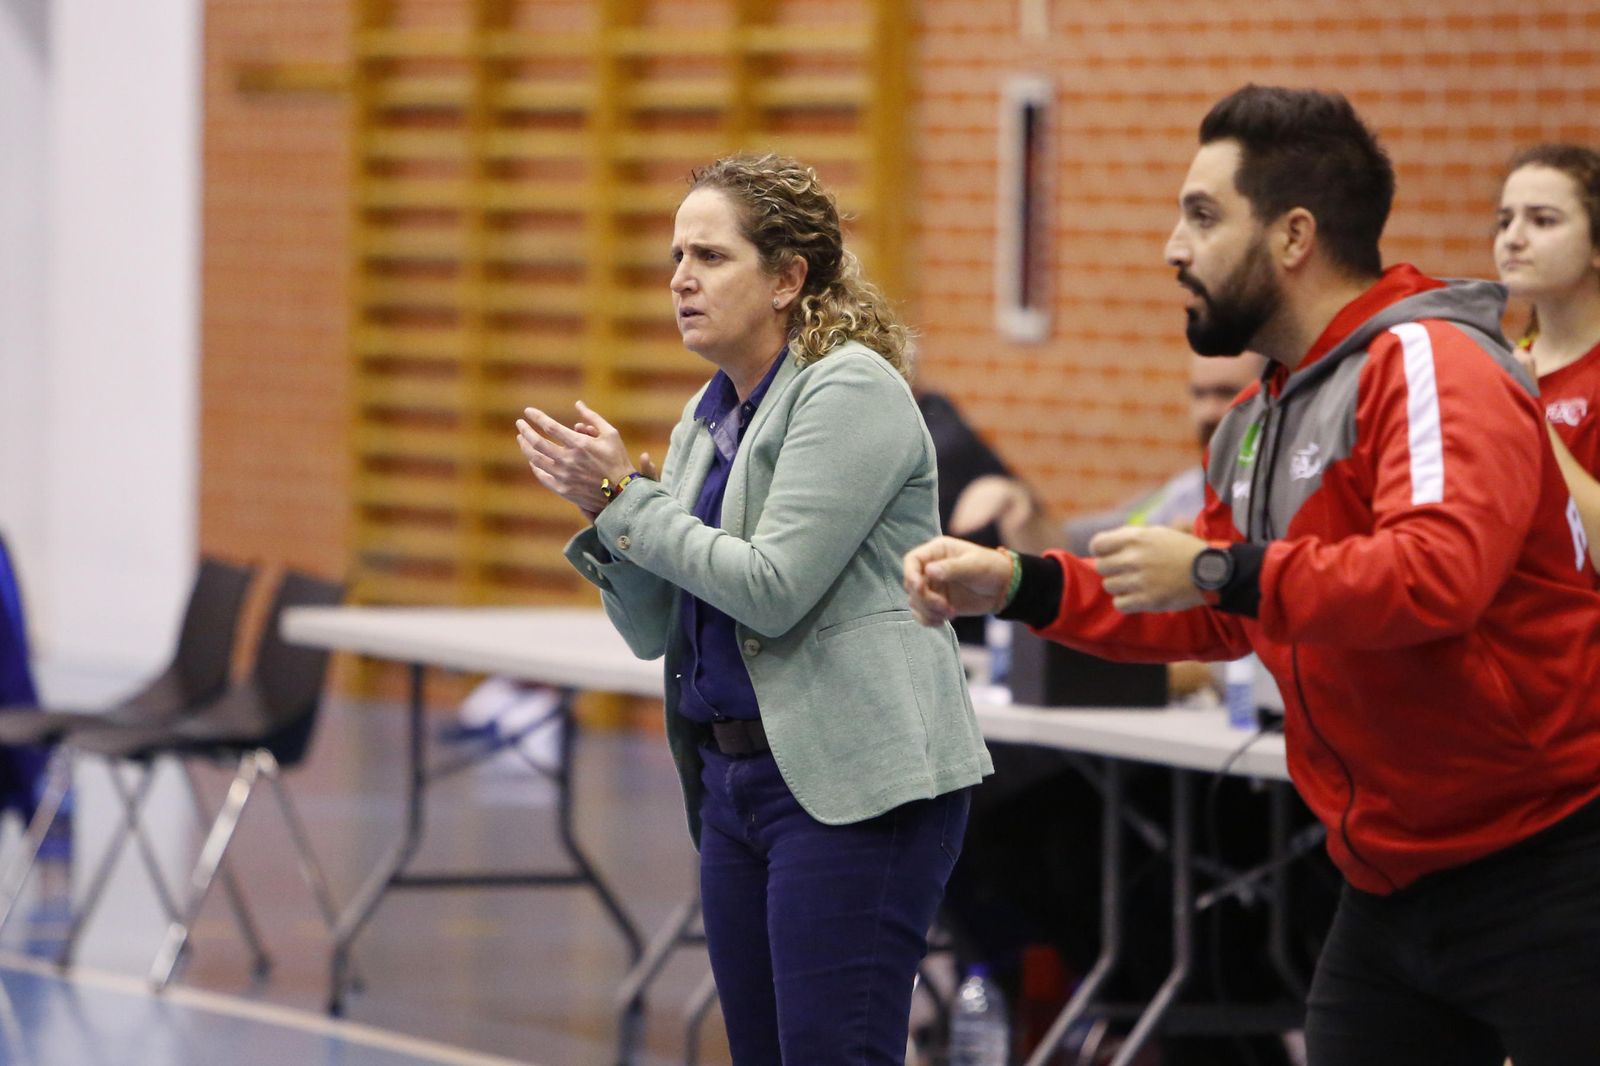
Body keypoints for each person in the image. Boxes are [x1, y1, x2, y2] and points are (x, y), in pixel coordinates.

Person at [905, 85, 1600, 1066]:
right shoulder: (1257, 417)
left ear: (1292, 237)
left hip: (1549, 865)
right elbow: (1209, 610)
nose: (1170, 248)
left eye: (1200, 214)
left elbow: (1436, 575)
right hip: (1387, 882)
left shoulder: (1427, 363)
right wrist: (1018, 585)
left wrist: (1220, 567)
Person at [516, 153, 992, 1065]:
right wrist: (605, 512)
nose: (680, 279)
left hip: (851, 785)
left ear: (786, 278)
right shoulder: (708, 415)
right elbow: (656, 624)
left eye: (710, 255)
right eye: (675, 256)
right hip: (737, 783)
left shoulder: (850, 389)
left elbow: (772, 589)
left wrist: (628, 498)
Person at [950, 352, 1266, 555]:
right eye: (1199, 394)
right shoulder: (1182, 495)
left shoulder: (1283, 497)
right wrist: (1018, 505)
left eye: (1227, 392)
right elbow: (1072, 547)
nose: (1209, 412)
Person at [1494, 142, 1600, 573]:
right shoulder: (1503, 361)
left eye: (1542, 220)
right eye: (1504, 221)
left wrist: (1530, 412)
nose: (1513, 238)